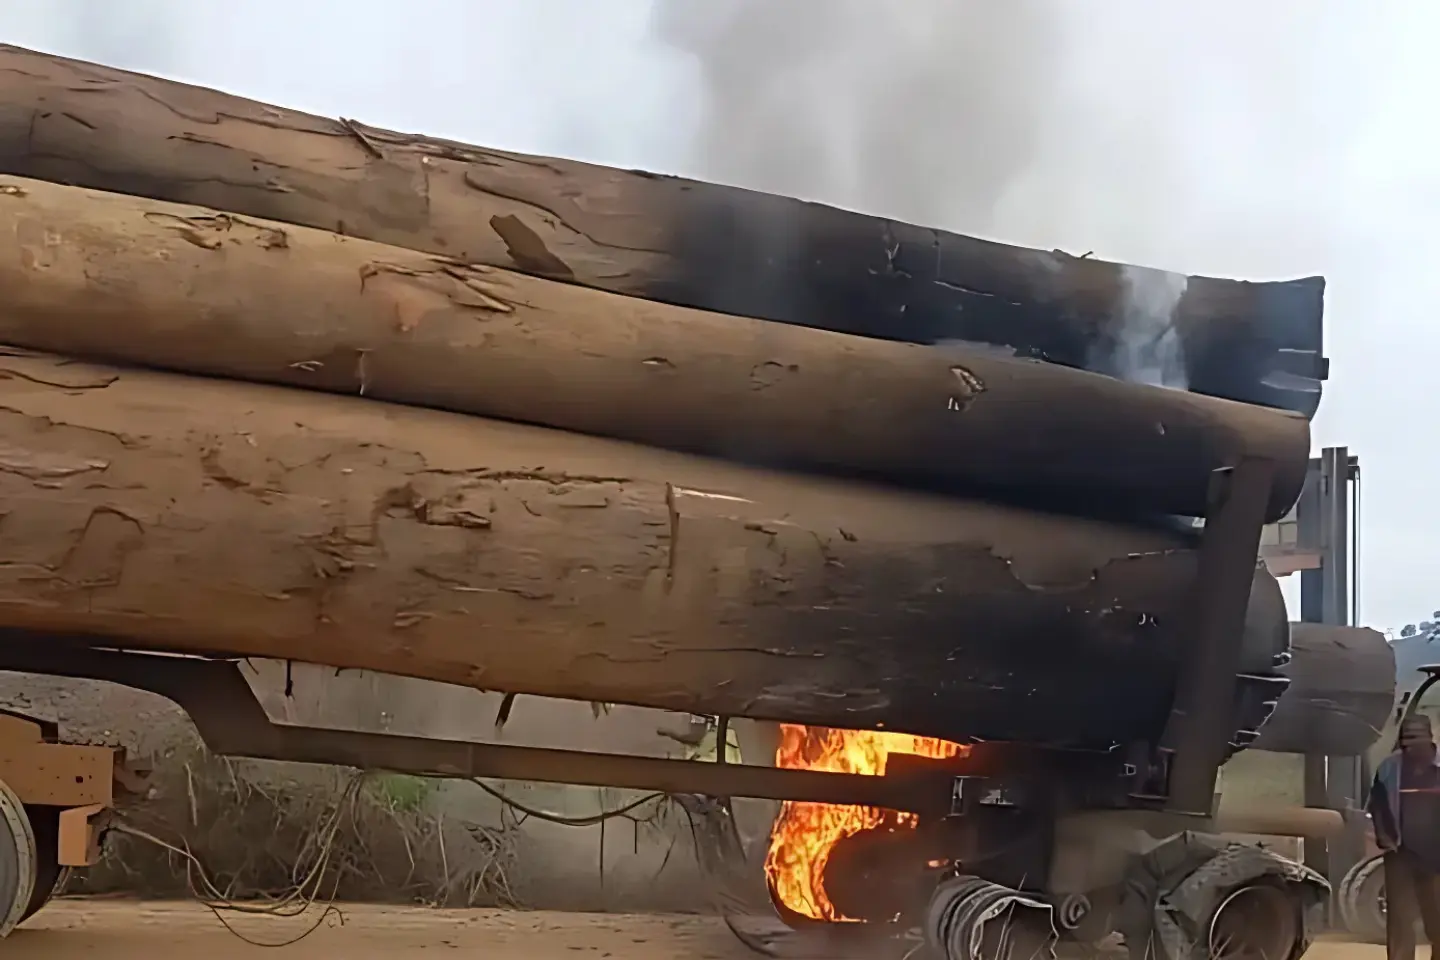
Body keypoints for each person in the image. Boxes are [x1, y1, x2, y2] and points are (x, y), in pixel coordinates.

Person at [1368, 714, 1440, 960]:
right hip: (1400, 856)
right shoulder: (1389, 768)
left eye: (1414, 739)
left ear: (1429, 738)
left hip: (1436, 858)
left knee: (1438, 921)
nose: (1408, 745)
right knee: (1400, 921)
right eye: (1404, 740)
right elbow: (1376, 805)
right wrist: (1383, 837)